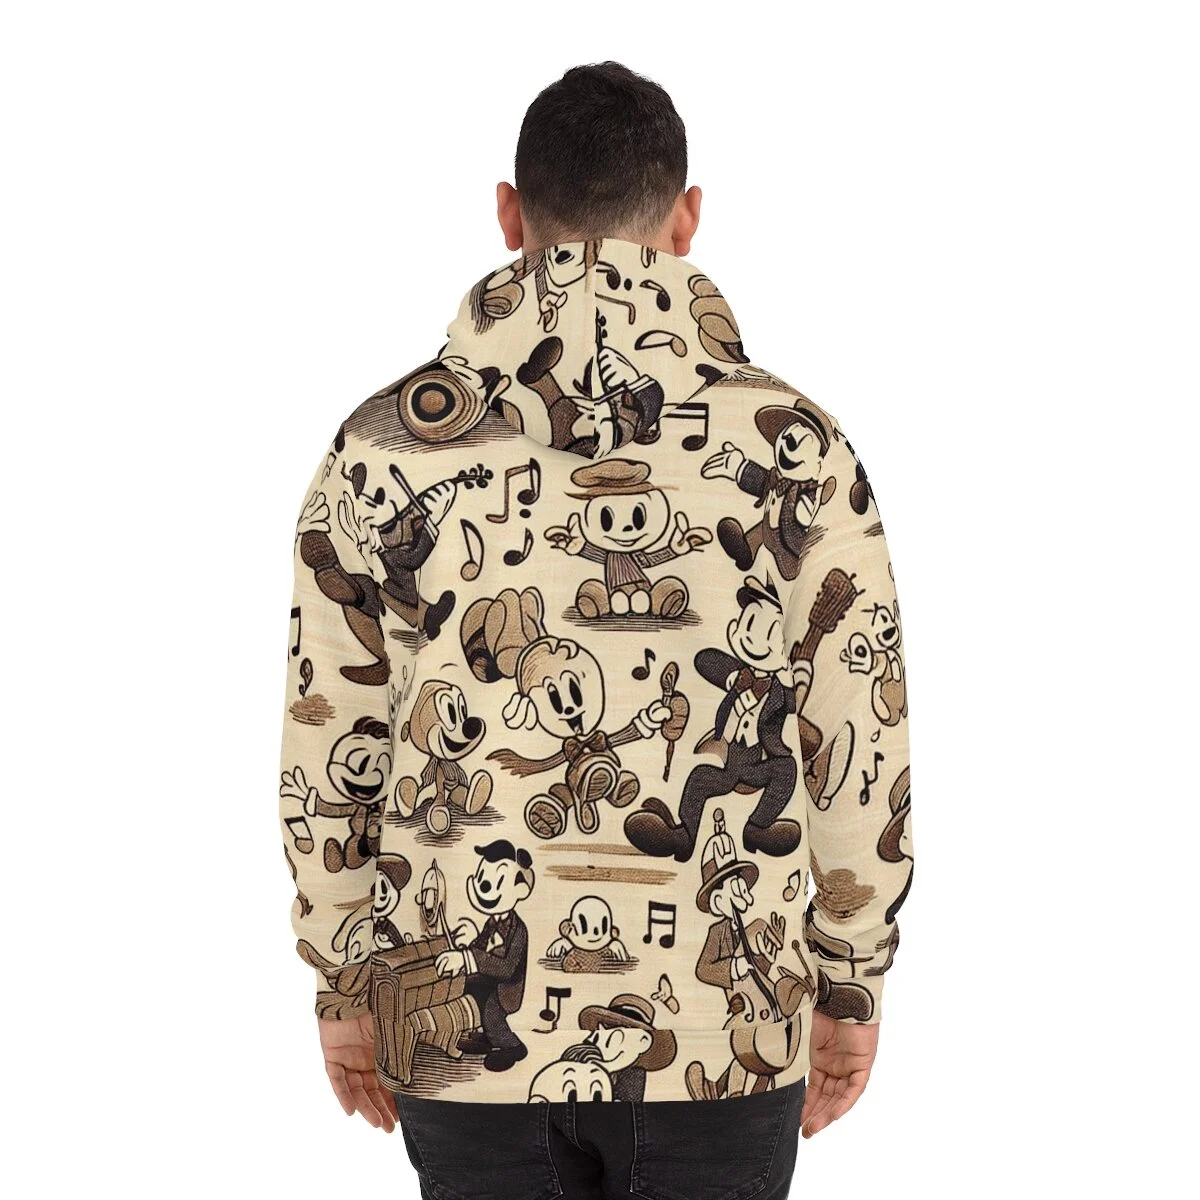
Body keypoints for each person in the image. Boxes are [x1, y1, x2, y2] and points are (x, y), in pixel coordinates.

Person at [277, 60, 913, 1200]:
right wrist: (851, 982)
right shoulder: (799, 447)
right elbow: (858, 738)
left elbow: (332, 747)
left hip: (456, 1036)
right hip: (729, 1030)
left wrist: (343, 979)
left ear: (509, 214)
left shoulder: (382, 451)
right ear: (687, 218)